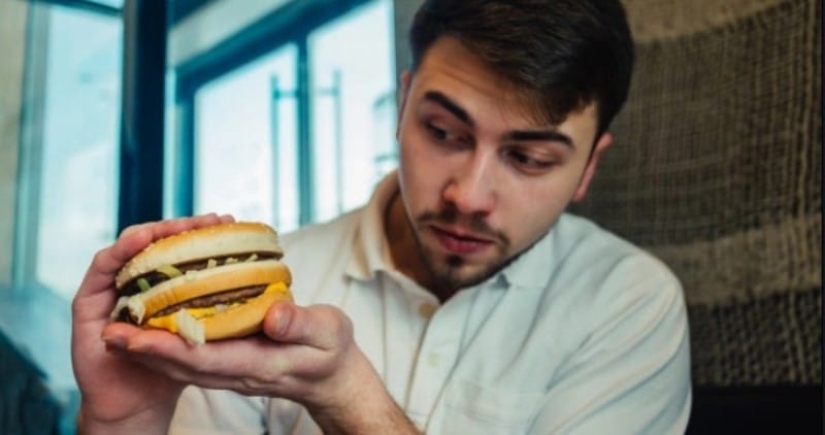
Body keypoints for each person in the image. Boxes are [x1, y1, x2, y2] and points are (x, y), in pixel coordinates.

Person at [71, 0, 692, 433]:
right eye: (443, 130)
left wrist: (346, 396)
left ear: (587, 167)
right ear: (402, 105)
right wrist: (122, 422)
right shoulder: (266, 288)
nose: (469, 196)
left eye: (528, 158)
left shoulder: (628, 305)